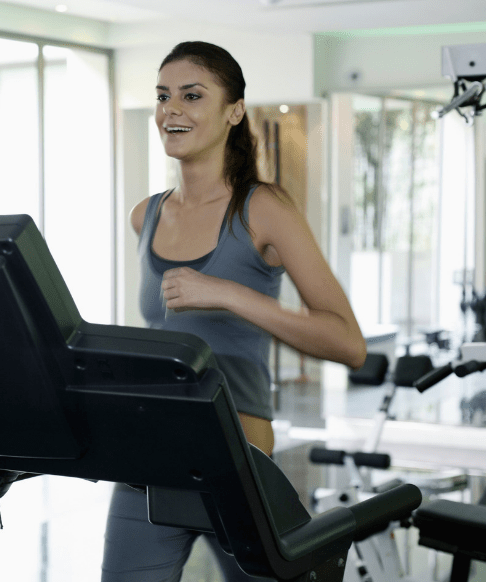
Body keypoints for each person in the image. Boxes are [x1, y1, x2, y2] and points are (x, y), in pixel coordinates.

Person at [100, 42, 367, 582]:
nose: (171, 109)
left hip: (237, 455)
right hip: (151, 451)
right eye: (162, 96)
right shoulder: (144, 215)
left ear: (234, 111)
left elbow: (348, 344)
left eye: (192, 96)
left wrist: (227, 293)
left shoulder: (263, 208)